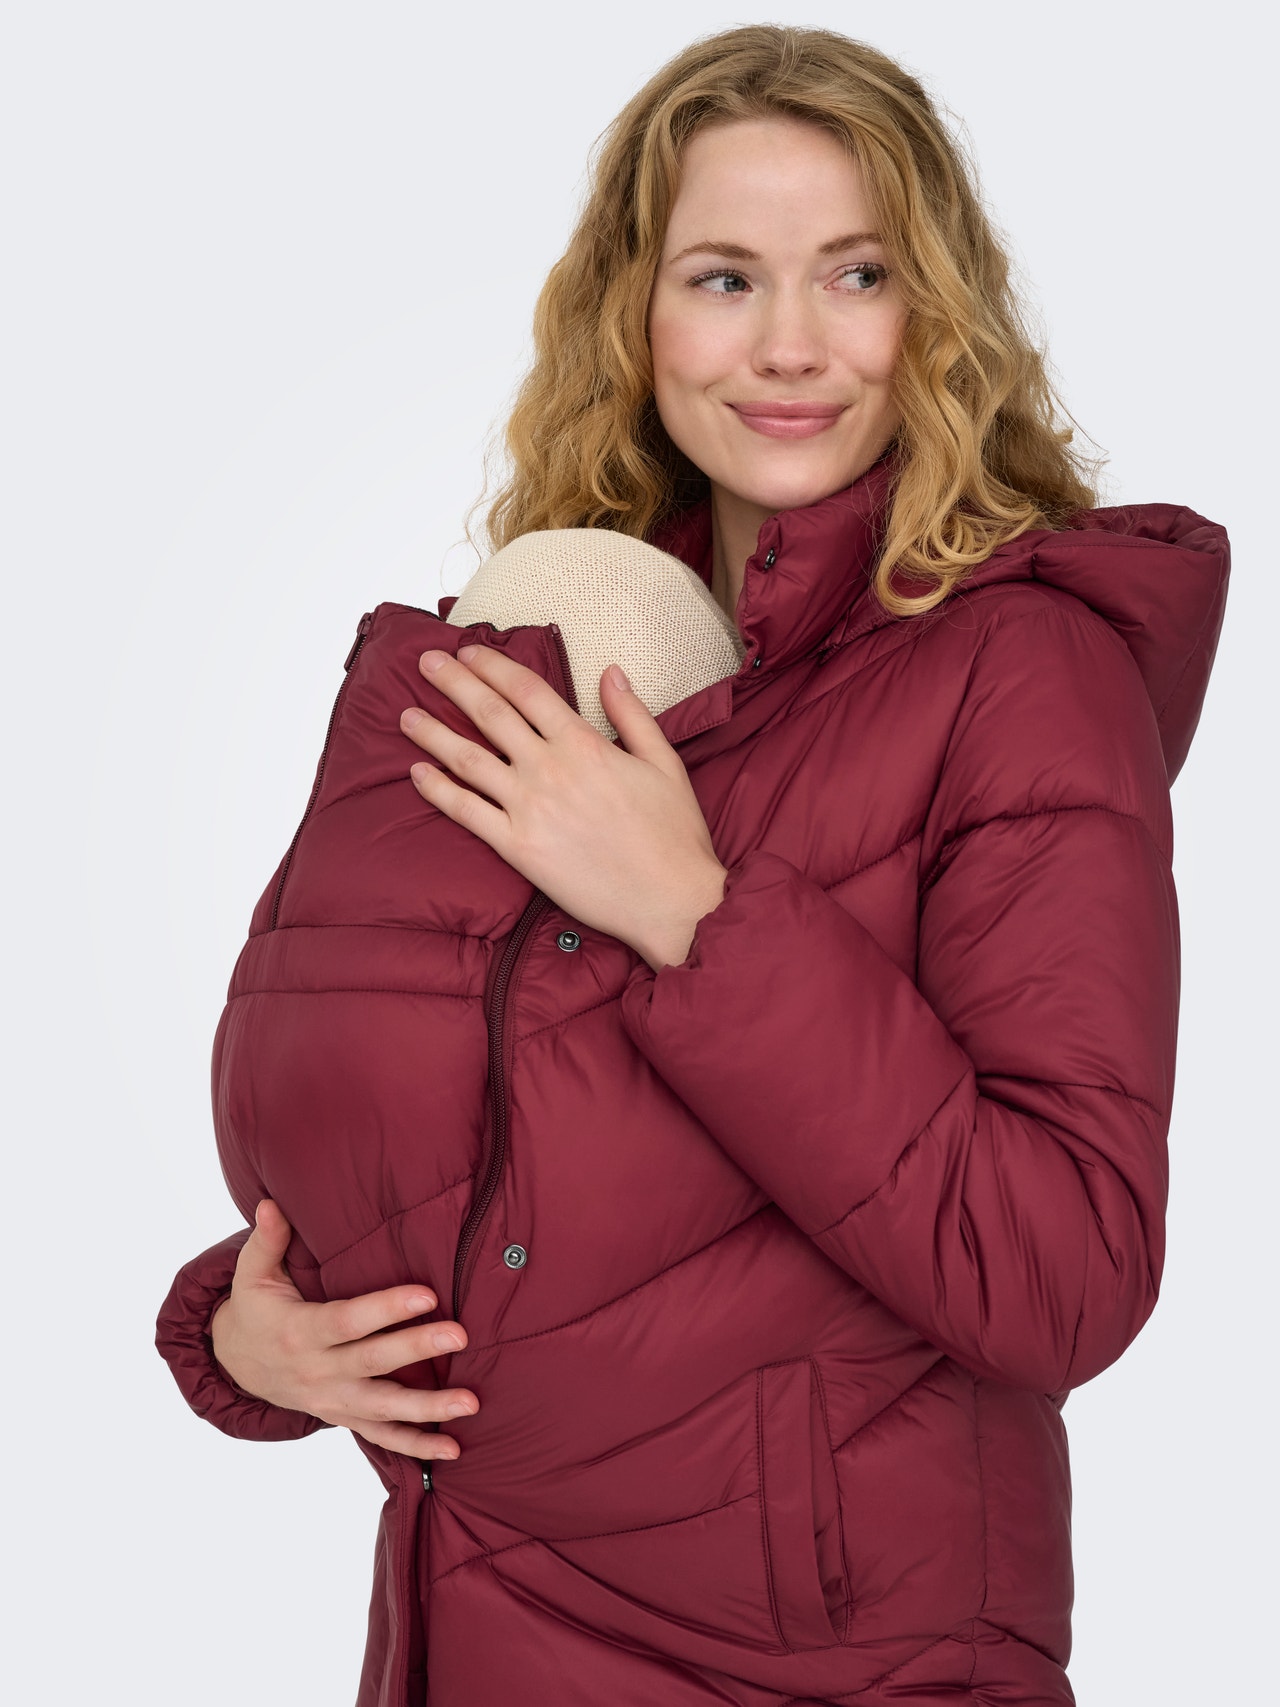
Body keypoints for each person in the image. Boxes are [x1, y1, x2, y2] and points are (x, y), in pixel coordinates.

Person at [155, 23, 1230, 1707]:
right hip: (468, 1639)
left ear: (936, 312)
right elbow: (499, 1163)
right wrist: (244, 1329)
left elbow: (1062, 1274)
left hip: (827, 1667)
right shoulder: (574, 639)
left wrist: (697, 918)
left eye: (857, 274)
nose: (790, 344)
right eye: (725, 279)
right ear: (635, 315)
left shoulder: (1023, 673)